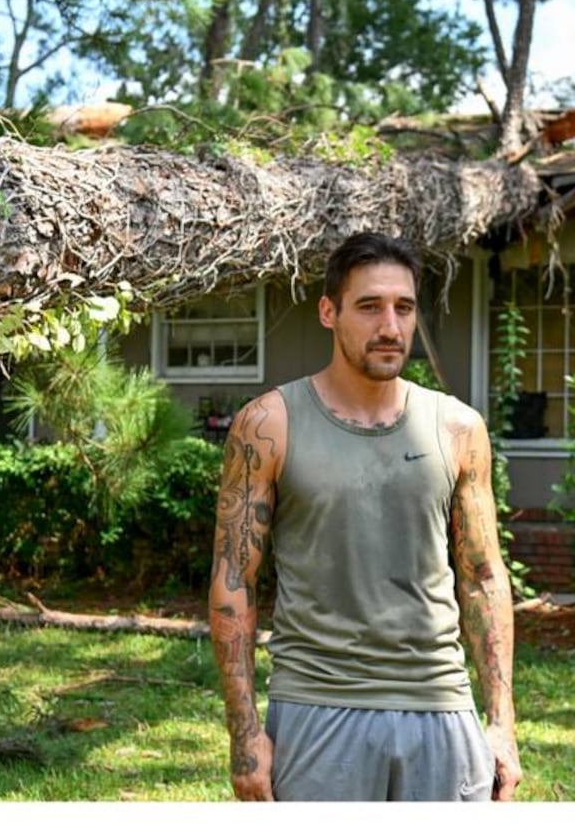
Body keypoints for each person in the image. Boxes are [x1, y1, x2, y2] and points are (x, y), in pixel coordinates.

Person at [208, 232, 521, 801]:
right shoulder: (268, 425)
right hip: (318, 706)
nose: (391, 326)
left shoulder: (457, 427)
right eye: (370, 306)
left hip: (440, 706)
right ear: (329, 312)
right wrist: (245, 732)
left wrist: (500, 722)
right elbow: (234, 585)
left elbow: (482, 576)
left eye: (404, 307)